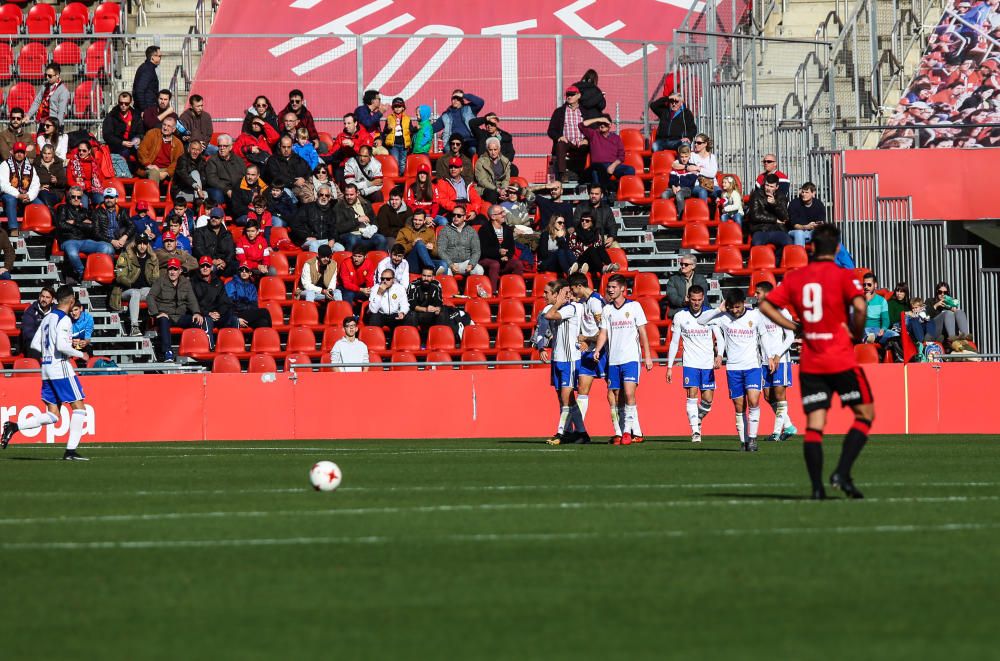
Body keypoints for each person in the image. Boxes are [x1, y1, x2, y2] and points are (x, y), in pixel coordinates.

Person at [758, 223, 874, 500]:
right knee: (865, 415)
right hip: (841, 358)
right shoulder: (845, 276)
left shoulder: (797, 278)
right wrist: (856, 332)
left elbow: (765, 304)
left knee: (815, 424)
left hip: (811, 360)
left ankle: (817, 488)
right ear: (836, 248)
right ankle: (842, 472)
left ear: (810, 248)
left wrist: (794, 325)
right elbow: (859, 307)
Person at [2, 285, 90, 460]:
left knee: (53, 415)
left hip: (47, 368)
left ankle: (13, 426)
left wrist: (48, 354)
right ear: (71, 301)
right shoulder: (64, 320)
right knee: (79, 408)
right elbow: (62, 346)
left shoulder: (48, 317)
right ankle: (70, 452)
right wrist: (82, 354)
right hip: (61, 369)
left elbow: (35, 344)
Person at [699, 289, 767, 452]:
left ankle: (752, 438)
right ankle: (743, 442)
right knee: (739, 406)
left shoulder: (755, 315)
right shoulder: (723, 316)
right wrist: (718, 310)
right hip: (733, 368)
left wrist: (770, 357)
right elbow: (701, 321)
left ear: (744, 303)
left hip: (752, 366)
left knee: (754, 401)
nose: (735, 311)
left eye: (737, 307)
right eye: (732, 308)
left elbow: (763, 335)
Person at [593, 274, 655, 445]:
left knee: (629, 393)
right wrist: (598, 350)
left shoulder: (634, 306)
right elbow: (603, 333)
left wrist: (648, 356)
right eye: (609, 287)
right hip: (614, 359)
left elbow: (642, 332)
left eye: (613, 287)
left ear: (622, 289)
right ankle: (626, 432)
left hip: (631, 358)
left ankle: (627, 432)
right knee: (617, 394)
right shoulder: (607, 310)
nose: (610, 290)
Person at [666, 284, 723, 443]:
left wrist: (719, 355)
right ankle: (695, 431)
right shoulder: (680, 316)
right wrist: (670, 367)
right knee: (691, 394)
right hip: (690, 362)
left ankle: (697, 418)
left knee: (708, 401)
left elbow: (719, 337)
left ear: (703, 298)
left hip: (707, 363)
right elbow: (674, 342)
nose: (696, 303)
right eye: (693, 300)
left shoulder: (710, 315)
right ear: (688, 299)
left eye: (699, 300)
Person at [568, 273, 614, 444]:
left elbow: (605, 332)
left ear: (580, 286)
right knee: (582, 390)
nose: (573, 293)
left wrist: (586, 339)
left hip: (602, 353)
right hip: (588, 352)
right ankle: (580, 432)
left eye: (573, 289)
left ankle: (622, 430)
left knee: (613, 392)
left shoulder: (595, 302)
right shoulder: (585, 302)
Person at [541, 279, 588, 445]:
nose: (544, 295)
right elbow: (544, 320)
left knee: (566, 397)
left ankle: (561, 433)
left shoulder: (572, 308)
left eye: (547, 293)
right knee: (565, 399)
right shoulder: (557, 307)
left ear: (557, 294)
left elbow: (549, 315)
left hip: (569, 359)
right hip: (557, 358)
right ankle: (581, 433)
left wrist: (559, 302)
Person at [756, 282, 798, 442]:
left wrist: (778, 355)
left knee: (780, 394)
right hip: (765, 361)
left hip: (781, 361)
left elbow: (790, 337)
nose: (755, 295)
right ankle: (789, 426)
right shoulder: (758, 313)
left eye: (758, 292)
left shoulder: (782, 312)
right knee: (767, 396)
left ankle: (776, 433)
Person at [147, 257, 207, 362]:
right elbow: (150, 296)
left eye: (175, 269)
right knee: (164, 321)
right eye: (170, 269)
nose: (172, 272)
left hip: (180, 316)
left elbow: (191, 299)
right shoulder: (161, 281)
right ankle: (167, 352)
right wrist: (156, 313)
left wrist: (197, 313)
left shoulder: (185, 282)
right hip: (165, 315)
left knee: (196, 320)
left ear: (179, 271)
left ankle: (192, 350)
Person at [55, 187, 113, 283]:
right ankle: (83, 273)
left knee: (107, 247)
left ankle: (96, 270)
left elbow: (92, 226)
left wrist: (74, 222)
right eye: (73, 196)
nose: (76, 199)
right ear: (69, 197)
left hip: (85, 240)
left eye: (79, 197)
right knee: (72, 254)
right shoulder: (63, 208)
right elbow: (61, 225)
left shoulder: (85, 211)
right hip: (69, 240)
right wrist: (82, 224)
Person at [111, 234, 159, 335]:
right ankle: (134, 327)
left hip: (144, 290)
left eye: (145, 243)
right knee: (135, 293)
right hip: (125, 291)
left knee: (156, 292)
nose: (142, 246)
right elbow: (119, 276)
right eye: (140, 243)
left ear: (147, 244)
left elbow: (155, 278)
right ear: (136, 244)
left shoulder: (152, 258)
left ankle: (154, 324)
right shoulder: (126, 255)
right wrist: (130, 282)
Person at [580, 115, 632, 194]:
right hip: (598, 166)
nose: (602, 125)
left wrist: (613, 166)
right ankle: (602, 196)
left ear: (610, 125)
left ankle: (620, 193)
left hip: (613, 165)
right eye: (600, 123)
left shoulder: (616, 138)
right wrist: (599, 118)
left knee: (630, 170)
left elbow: (621, 155)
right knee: (595, 171)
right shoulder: (594, 134)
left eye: (604, 123)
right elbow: (581, 125)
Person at [747, 173, 791, 264]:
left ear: (776, 187)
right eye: (767, 185)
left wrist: (775, 204)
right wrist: (775, 220)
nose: (768, 188)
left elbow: (785, 217)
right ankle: (759, 264)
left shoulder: (781, 196)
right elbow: (756, 216)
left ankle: (776, 261)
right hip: (760, 228)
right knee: (756, 243)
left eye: (771, 186)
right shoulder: (756, 195)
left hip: (777, 229)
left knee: (788, 242)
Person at [547, 85, 589, 183]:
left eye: (572, 95)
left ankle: (585, 176)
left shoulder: (585, 112)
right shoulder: (559, 112)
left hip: (581, 142)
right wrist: (559, 137)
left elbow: (592, 129)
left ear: (579, 95)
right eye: (567, 95)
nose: (569, 97)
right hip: (567, 142)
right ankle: (563, 174)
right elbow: (551, 130)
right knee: (560, 144)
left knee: (591, 146)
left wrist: (587, 139)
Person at [478, 204, 524, 291]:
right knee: (495, 264)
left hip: (503, 260)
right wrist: (498, 252)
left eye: (503, 212)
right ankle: (493, 293)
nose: (504, 214)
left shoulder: (507, 229)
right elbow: (483, 250)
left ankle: (516, 290)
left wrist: (507, 256)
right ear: (493, 217)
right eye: (501, 213)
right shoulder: (484, 230)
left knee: (517, 263)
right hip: (487, 260)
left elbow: (511, 248)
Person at [1, 141, 41, 234]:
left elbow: (36, 184)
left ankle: (36, 230)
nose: (19, 154)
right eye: (17, 152)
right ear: (12, 152)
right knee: (11, 200)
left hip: (25, 194)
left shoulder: (30, 167)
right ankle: (14, 229)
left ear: (25, 153)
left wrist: (29, 196)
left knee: (39, 204)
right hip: (9, 194)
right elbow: (3, 185)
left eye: (22, 152)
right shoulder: (5, 165)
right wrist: (18, 195)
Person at [862, 272, 902, 361]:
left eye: (869, 284)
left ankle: (898, 359)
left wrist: (883, 328)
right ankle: (867, 339)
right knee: (864, 332)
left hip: (877, 330)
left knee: (895, 335)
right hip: (864, 328)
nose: (866, 287)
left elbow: (885, 319)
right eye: (864, 285)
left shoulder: (881, 301)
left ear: (875, 285)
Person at [334, 183, 385, 252]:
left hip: (366, 234)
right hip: (351, 234)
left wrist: (373, 228)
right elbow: (339, 228)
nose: (349, 197)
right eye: (347, 195)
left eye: (351, 194)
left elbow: (374, 220)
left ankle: (379, 260)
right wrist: (357, 220)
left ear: (357, 193)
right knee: (352, 239)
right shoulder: (339, 207)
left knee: (381, 239)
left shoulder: (366, 203)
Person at [432, 89, 484, 155]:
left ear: (462, 99)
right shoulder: (446, 115)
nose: (455, 100)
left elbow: (480, 102)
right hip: (453, 140)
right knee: (447, 149)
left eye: (458, 98)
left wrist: (464, 95)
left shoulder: (469, 108)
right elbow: (434, 127)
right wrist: (422, 128)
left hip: (469, 139)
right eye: (454, 98)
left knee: (472, 150)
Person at [290, 184, 339, 253]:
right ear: (317, 195)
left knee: (340, 248)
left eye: (326, 195)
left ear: (330, 197)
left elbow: (334, 228)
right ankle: (315, 263)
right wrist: (306, 237)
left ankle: (331, 264)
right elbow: (295, 224)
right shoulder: (307, 208)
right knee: (314, 245)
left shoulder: (332, 212)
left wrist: (332, 239)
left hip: (325, 240)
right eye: (321, 195)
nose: (324, 197)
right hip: (308, 240)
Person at [192, 255, 236, 331]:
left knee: (232, 318)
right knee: (206, 321)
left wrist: (218, 313)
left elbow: (224, 301)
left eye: (207, 265)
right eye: (202, 266)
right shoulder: (193, 282)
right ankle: (210, 343)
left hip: (216, 314)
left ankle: (230, 342)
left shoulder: (218, 282)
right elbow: (193, 303)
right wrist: (208, 313)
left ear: (211, 268)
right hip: (203, 314)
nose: (205, 268)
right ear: (199, 268)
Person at [407, 266, 451, 341]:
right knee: (411, 315)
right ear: (421, 275)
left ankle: (439, 340)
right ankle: (413, 341)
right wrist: (426, 309)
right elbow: (411, 304)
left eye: (429, 276)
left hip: (430, 313)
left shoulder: (436, 285)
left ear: (433, 277)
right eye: (424, 275)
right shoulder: (414, 285)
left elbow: (439, 301)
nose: (426, 278)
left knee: (442, 312)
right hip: (417, 312)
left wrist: (437, 309)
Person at [437, 206, 483, 276]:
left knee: (479, 270)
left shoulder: (471, 231)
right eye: (453, 215)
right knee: (445, 271)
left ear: (464, 217)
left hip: (465, 264)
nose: (455, 217)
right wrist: (450, 264)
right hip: (450, 264)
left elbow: (476, 251)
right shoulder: (444, 231)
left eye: (459, 215)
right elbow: (441, 251)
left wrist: (471, 264)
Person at [396, 209, 446, 275]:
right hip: (410, 263)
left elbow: (436, 253)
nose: (417, 222)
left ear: (424, 221)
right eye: (415, 220)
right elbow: (397, 250)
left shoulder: (430, 232)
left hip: (424, 263)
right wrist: (412, 245)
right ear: (412, 220)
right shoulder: (404, 231)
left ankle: (439, 283)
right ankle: (431, 269)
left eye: (420, 220)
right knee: (419, 243)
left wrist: (432, 249)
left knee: (443, 264)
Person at [192, 206, 238, 277]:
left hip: (223, 265)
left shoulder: (227, 234)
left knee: (237, 266)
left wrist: (225, 262)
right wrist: (212, 260)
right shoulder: (200, 232)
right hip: (207, 263)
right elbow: (198, 249)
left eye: (217, 217)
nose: (214, 219)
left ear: (222, 219)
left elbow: (231, 251)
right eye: (212, 217)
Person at [102, 92, 143, 169]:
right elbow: (107, 135)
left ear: (130, 103)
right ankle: (126, 173)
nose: (123, 105)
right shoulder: (111, 116)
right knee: (124, 152)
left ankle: (144, 172)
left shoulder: (136, 116)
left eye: (126, 103)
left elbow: (141, 132)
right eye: (121, 103)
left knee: (142, 150)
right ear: (118, 102)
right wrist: (122, 142)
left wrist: (138, 139)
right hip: (117, 145)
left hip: (132, 144)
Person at [138, 115, 184, 185]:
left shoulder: (178, 143)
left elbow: (177, 161)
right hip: (151, 167)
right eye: (164, 125)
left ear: (174, 129)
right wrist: (148, 164)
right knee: (154, 172)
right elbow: (142, 150)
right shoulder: (152, 134)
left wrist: (167, 172)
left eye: (169, 126)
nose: (165, 128)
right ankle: (153, 195)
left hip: (166, 169)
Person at [226, 263, 273, 329]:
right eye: (242, 270)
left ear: (250, 273)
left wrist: (246, 306)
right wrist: (236, 319)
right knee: (264, 311)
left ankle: (266, 338)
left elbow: (254, 305)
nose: (244, 272)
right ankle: (273, 334)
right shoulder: (232, 284)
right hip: (236, 314)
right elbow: (229, 303)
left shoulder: (252, 286)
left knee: (263, 322)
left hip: (248, 313)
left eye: (246, 270)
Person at [203, 134, 245, 208]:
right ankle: (218, 216)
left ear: (230, 147)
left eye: (225, 146)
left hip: (236, 189)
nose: (222, 148)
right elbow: (212, 180)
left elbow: (244, 176)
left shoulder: (239, 160)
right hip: (220, 189)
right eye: (220, 146)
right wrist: (227, 190)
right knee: (217, 194)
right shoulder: (212, 160)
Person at [367, 268, 410, 337]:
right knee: (374, 317)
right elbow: (373, 310)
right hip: (381, 315)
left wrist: (402, 312)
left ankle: (403, 341)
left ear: (393, 280)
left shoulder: (400, 288)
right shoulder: (375, 288)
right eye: (382, 279)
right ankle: (374, 342)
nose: (384, 281)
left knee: (409, 316)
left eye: (388, 279)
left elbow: (404, 304)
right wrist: (379, 293)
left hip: (395, 314)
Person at [65, 140, 107, 208]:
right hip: (77, 190)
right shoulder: (73, 162)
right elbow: (69, 181)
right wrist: (83, 186)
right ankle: (84, 218)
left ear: (89, 151)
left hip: (93, 190)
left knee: (101, 200)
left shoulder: (94, 163)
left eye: (84, 151)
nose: (81, 153)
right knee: (83, 203)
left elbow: (100, 179)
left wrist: (90, 186)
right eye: (79, 150)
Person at [92, 187, 136, 252]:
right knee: (108, 249)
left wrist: (124, 237)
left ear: (116, 199)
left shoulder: (122, 210)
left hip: (119, 238)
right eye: (106, 197)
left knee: (135, 240)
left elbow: (132, 225)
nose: (109, 200)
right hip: (106, 240)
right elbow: (96, 233)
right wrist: (112, 241)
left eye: (111, 197)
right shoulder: (97, 212)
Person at [662, 144, 698, 219]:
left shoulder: (692, 167)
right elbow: (672, 177)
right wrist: (673, 186)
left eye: (686, 157)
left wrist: (680, 186)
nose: (684, 159)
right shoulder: (676, 166)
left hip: (686, 189)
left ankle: (681, 217)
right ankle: (669, 216)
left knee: (679, 195)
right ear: (679, 157)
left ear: (689, 156)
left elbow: (690, 181)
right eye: (682, 157)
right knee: (664, 194)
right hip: (675, 188)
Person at [383, 96, 416, 175]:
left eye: (399, 106)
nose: (397, 108)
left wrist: (415, 129)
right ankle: (395, 176)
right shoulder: (389, 118)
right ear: (393, 108)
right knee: (395, 161)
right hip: (393, 144)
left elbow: (410, 130)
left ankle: (401, 177)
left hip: (403, 144)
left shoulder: (407, 118)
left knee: (402, 163)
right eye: (395, 107)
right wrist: (388, 128)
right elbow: (385, 131)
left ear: (403, 108)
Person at [19, 287, 54, 358]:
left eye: (47, 297)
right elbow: (28, 333)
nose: (44, 299)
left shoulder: (56, 312)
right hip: (35, 343)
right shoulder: (30, 311)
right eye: (42, 296)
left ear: (52, 300)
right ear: (39, 297)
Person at [33, 144, 66, 208]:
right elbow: (32, 180)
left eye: (49, 154)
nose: (47, 156)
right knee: (43, 193)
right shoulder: (36, 164)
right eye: (45, 153)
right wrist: (39, 187)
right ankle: (51, 213)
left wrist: (57, 181)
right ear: (41, 154)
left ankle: (49, 212)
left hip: (55, 192)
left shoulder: (58, 164)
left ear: (53, 154)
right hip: (40, 192)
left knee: (44, 196)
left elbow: (64, 182)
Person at [132, 46, 161, 113]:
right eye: (159, 56)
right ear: (153, 57)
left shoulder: (148, 68)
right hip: (147, 108)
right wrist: (144, 109)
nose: (160, 58)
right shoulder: (147, 70)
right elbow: (139, 90)